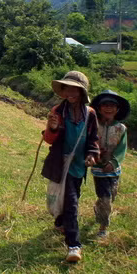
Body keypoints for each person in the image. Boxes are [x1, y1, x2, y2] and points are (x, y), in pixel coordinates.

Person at [40, 70, 100, 263]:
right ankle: (74, 245)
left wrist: (92, 155)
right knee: (70, 203)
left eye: (76, 90)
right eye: (68, 89)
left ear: (83, 92)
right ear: (63, 91)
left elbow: (93, 139)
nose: (71, 93)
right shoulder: (57, 112)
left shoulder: (90, 114)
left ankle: (61, 223)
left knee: (71, 199)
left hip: (79, 166)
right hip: (61, 163)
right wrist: (53, 128)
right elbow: (49, 139)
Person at [90, 89, 130, 239]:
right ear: (99, 109)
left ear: (117, 109)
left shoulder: (121, 128)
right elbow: (89, 142)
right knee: (105, 198)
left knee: (111, 196)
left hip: (114, 170)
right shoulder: (93, 125)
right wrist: (94, 155)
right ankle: (103, 228)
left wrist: (113, 162)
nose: (108, 108)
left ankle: (99, 208)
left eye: (112, 105)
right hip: (99, 169)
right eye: (105, 105)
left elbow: (122, 149)